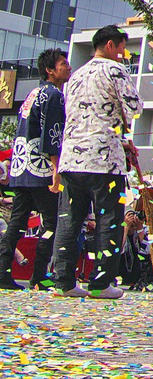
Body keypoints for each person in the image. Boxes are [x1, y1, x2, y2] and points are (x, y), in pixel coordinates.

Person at [49, 24, 143, 299]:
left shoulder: (76, 75)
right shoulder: (114, 69)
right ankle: (101, 283)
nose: (124, 54)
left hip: (71, 157)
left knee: (69, 220)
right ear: (111, 45)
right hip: (103, 159)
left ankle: (63, 282)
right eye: (123, 48)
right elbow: (135, 108)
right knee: (109, 220)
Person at [0, 47, 70, 289]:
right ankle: (39, 276)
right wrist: (55, 169)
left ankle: (3, 272)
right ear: (50, 70)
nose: (68, 67)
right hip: (39, 168)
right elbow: (52, 135)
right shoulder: (53, 94)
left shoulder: (33, 93)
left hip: (21, 166)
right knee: (51, 223)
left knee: (16, 224)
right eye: (63, 63)